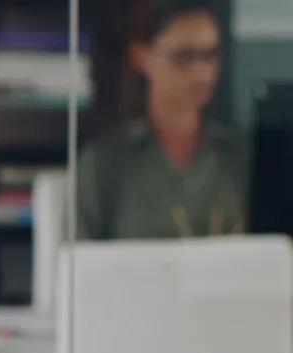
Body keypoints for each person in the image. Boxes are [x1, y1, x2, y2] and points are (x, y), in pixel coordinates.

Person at [77, 0, 247, 239]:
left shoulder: (241, 157)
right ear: (142, 55)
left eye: (210, 56)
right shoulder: (104, 165)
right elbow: (79, 266)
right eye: (184, 57)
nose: (202, 73)